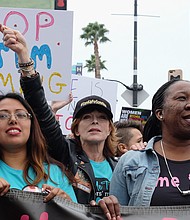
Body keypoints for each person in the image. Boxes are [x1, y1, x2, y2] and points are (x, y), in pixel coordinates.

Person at [0, 25, 121, 220]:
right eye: (87, 117)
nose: (95, 122)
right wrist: (25, 60)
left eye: (102, 118)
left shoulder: (123, 165)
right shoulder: (66, 156)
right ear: (75, 129)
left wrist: (68, 205)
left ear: (110, 129)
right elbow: (41, 112)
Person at [110, 78, 190, 206]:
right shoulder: (131, 162)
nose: (189, 104)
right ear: (160, 113)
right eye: (181, 98)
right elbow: (117, 213)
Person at [0, 92, 77, 203]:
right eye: (2, 115)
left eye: (21, 115)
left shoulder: (55, 173)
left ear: (32, 124)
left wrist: (67, 205)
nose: (13, 120)